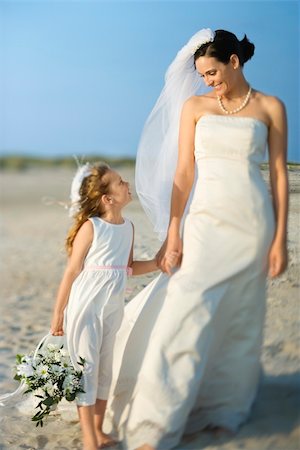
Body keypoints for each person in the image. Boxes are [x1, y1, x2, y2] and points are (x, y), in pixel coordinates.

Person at [103, 29, 288, 449]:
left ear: (234, 62)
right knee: (186, 314)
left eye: (213, 72)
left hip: (252, 223)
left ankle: (225, 410)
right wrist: (174, 232)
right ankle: (155, 425)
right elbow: (184, 173)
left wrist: (280, 240)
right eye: (203, 75)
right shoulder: (194, 108)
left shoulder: (271, 107)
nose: (208, 81)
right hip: (203, 222)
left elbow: (278, 175)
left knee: (242, 316)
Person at [50, 162, 168, 450]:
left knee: (105, 369)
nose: (127, 184)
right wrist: (58, 314)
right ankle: (89, 437)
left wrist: (157, 263)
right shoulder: (92, 228)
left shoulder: (128, 226)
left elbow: (127, 267)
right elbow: (71, 271)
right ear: (108, 198)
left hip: (113, 306)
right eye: (120, 182)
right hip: (86, 305)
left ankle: (99, 429)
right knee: (86, 367)